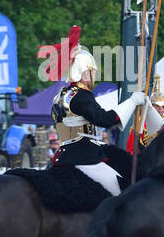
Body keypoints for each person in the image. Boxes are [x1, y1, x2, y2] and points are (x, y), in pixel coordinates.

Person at [50, 27, 144, 196]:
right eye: (91, 71)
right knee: (120, 191)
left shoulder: (61, 96)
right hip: (83, 156)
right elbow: (105, 120)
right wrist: (132, 101)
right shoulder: (83, 96)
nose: (94, 75)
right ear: (83, 71)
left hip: (63, 154)